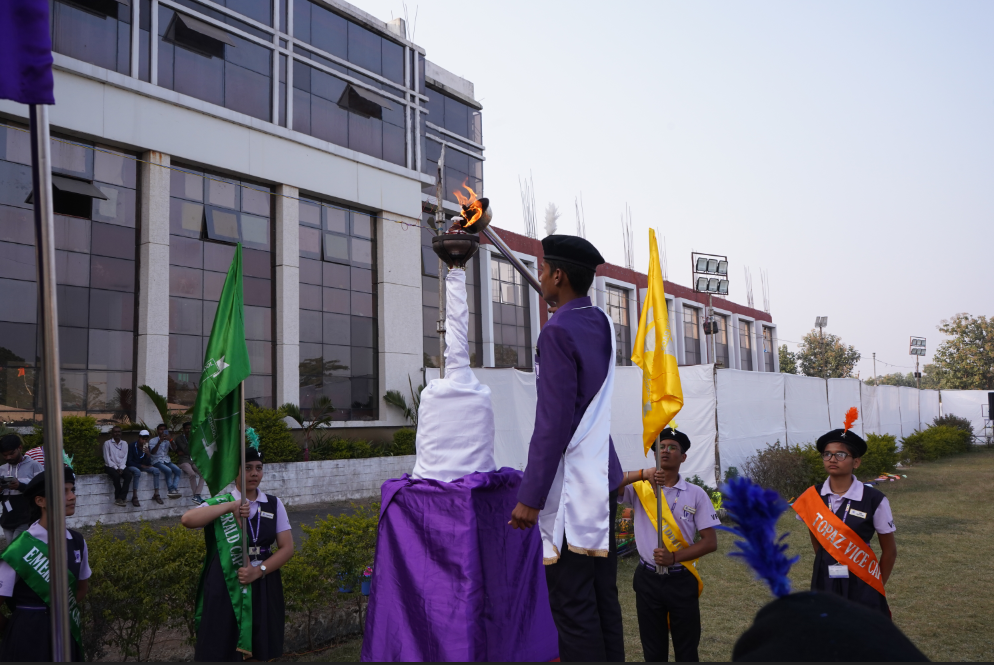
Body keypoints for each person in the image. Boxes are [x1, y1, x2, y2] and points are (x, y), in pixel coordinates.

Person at [509, 234, 625, 662]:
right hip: (602, 474)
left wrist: (531, 496)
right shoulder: (601, 321)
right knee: (602, 594)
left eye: (543, 270)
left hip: (574, 488)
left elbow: (553, 421)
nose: (540, 277)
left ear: (558, 276)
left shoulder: (556, 332)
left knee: (573, 603)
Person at [181, 445, 294, 661]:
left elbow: (287, 548)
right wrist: (230, 506)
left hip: (263, 580)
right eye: (248, 468)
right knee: (223, 643)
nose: (254, 474)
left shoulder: (273, 503)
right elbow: (188, 520)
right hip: (228, 580)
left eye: (259, 468)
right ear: (235, 472)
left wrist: (258, 571)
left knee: (262, 645)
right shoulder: (222, 502)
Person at [616, 429, 719, 662]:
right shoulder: (640, 488)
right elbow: (610, 483)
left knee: (687, 649)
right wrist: (643, 474)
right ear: (654, 455)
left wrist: (674, 558)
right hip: (648, 579)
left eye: (673, 447)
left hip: (681, 578)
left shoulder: (696, 494)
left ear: (683, 457)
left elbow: (710, 542)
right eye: (661, 447)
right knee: (653, 651)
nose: (665, 451)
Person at [795, 415, 896, 617]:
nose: (832, 459)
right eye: (827, 454)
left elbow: (890, 551)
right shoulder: (811, 496)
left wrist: (875, 584)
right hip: (825, 577)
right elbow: (815, 534)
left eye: (841, 454)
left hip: (863, 578)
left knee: (863, 630)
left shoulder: (874, 499)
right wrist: (830, 557)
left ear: (856, 462)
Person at [0, 465, 90, 662]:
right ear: (40, 501)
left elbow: (81, 589)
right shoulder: (20, 548)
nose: (72, 497)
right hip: (27, 635)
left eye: (72, 490)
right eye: (63, 491)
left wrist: (58, 612)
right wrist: (14, 628)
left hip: (65, 631)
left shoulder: (77, 541)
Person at [0, 434, 44, 545]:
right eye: (5, 455)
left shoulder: (35, 466)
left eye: (11, 453)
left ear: (20, 448)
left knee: (17, 548)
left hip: (27, 518)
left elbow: (42, 491)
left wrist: (20, 486)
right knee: (12, 549)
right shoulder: (2, 469)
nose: (8, 457)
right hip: (7, 519)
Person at [172, 422, 206, 504]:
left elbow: (198, 449)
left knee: (203, 474)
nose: (189, 430)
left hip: (193, 460)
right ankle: (196, 496)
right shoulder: (179, 439)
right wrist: (190, 441)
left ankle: (197, 495)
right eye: (187, 428)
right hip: (183, 461)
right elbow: (186, 450)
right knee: (192, 474)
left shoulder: (195, 438)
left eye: (190, 428)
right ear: (183, 429)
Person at [126, 430, 162, 506]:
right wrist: (141, 466)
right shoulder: (132, 446)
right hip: (132, 466)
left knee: (156, 470)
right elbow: (129, 461)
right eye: (143, 439)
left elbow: (147, 463)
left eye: (146, 439)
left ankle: (156, 494)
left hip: (142, 465)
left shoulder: (146, 446)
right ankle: (134, 496)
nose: (144, 441)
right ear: (139, 437)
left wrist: (148, 454)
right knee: (137, 472)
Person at [149, 424, 182, 499]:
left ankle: (174, 488)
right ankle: (171, 490)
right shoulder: (153, 440)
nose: (163, 431)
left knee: (178, 470)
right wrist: (159, 442)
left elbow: (174, 449)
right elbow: (153, 452)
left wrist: (171, 440)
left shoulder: (168, 440)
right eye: (161, 429)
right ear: (157, 431)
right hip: (156, 461)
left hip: (166, 460)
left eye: (164, 429)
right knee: (168, 470)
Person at [102, 426, 131, 507]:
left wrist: (121, 468)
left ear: (121, 433)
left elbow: (124, 458)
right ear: (112, 433)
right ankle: (118, 498)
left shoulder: (124, 443)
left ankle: (121, 497)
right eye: (115, 432)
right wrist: (116, 468)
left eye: (119, 432)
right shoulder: (107, 443)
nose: (117, 433)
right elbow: (107, 459)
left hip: (121, 465)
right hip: (110, 466)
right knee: (116, 476)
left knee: (128, 476)